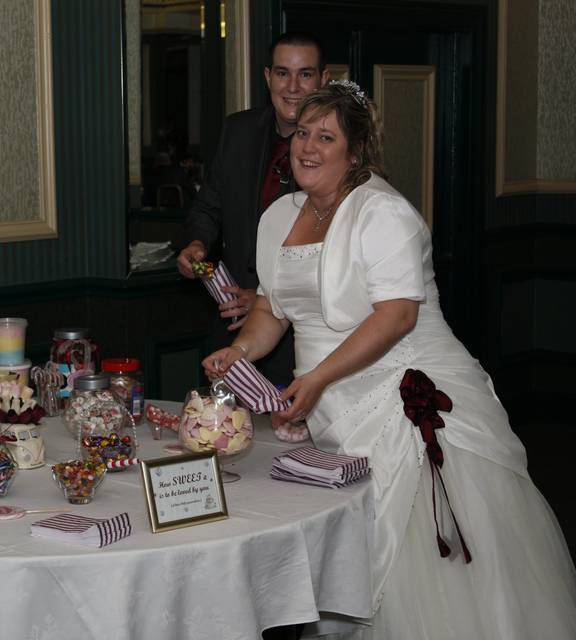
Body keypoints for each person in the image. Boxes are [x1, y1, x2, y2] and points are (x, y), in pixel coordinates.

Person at [203, 82, 576, 638]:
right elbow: (272, 311)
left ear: (355, 152)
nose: (308, 146)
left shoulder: (384, 212)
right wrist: (240, 349)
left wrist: (317, 379)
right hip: (330, 405)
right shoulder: (279, 217)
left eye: (325, 136)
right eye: (302, 133)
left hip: (405, 392)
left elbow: (397, 317)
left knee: (419, 559)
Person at [178, 32, 330, 387]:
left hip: (300, 344)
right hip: (230, 327)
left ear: (324, 80)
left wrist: (266, 299)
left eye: (305, 74)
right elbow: (209, 206)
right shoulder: (238, 131)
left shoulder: (335, 151)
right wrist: (195, 245)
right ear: (267, 78)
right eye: (282, 73)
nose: (292, 87)